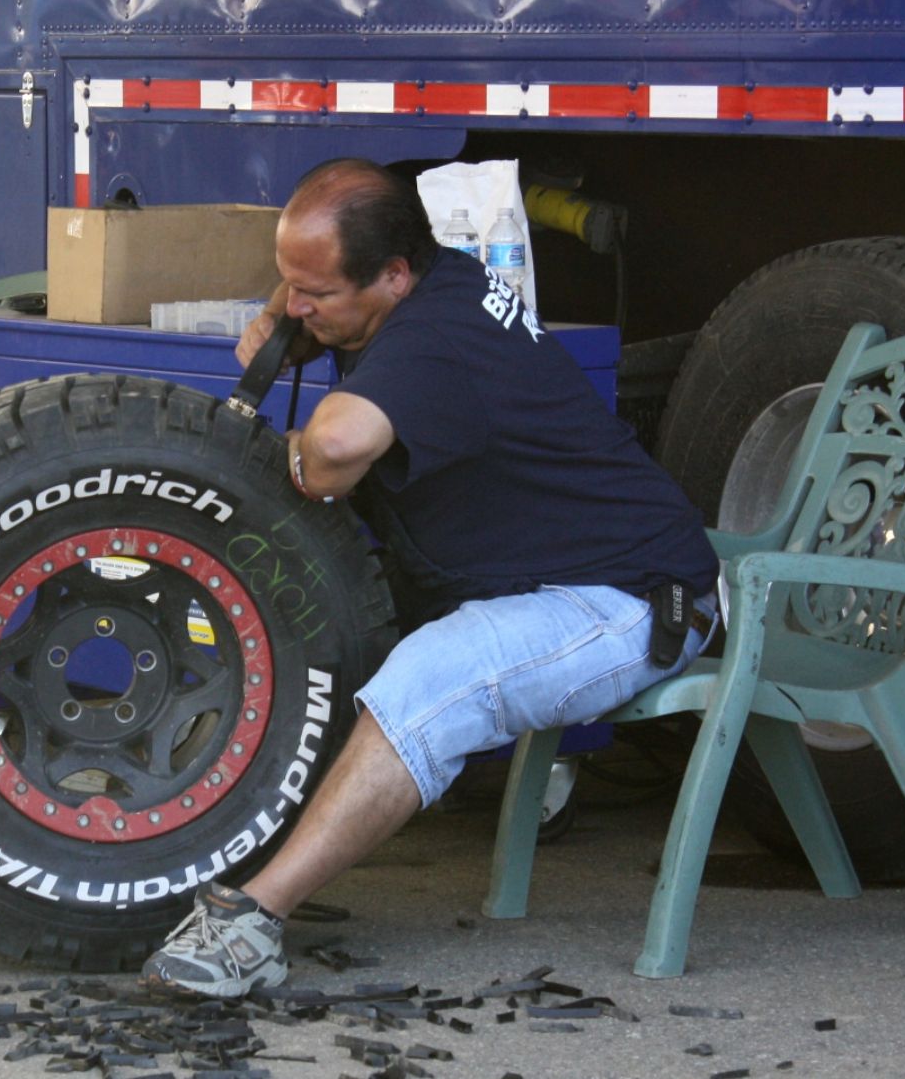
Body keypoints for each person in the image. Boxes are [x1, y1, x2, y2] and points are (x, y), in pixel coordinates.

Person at [142, 159, 720, 997]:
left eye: (316, 294)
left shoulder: (437, 336)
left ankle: (254, 926)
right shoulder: (421, 286)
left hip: (630, 598)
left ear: (394, 276)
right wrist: (290, 312)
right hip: (543, 574)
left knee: (433, 675)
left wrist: (293, 456)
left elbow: (334, 453)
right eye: (286, 284)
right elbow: (312, 312)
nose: (294, 307)